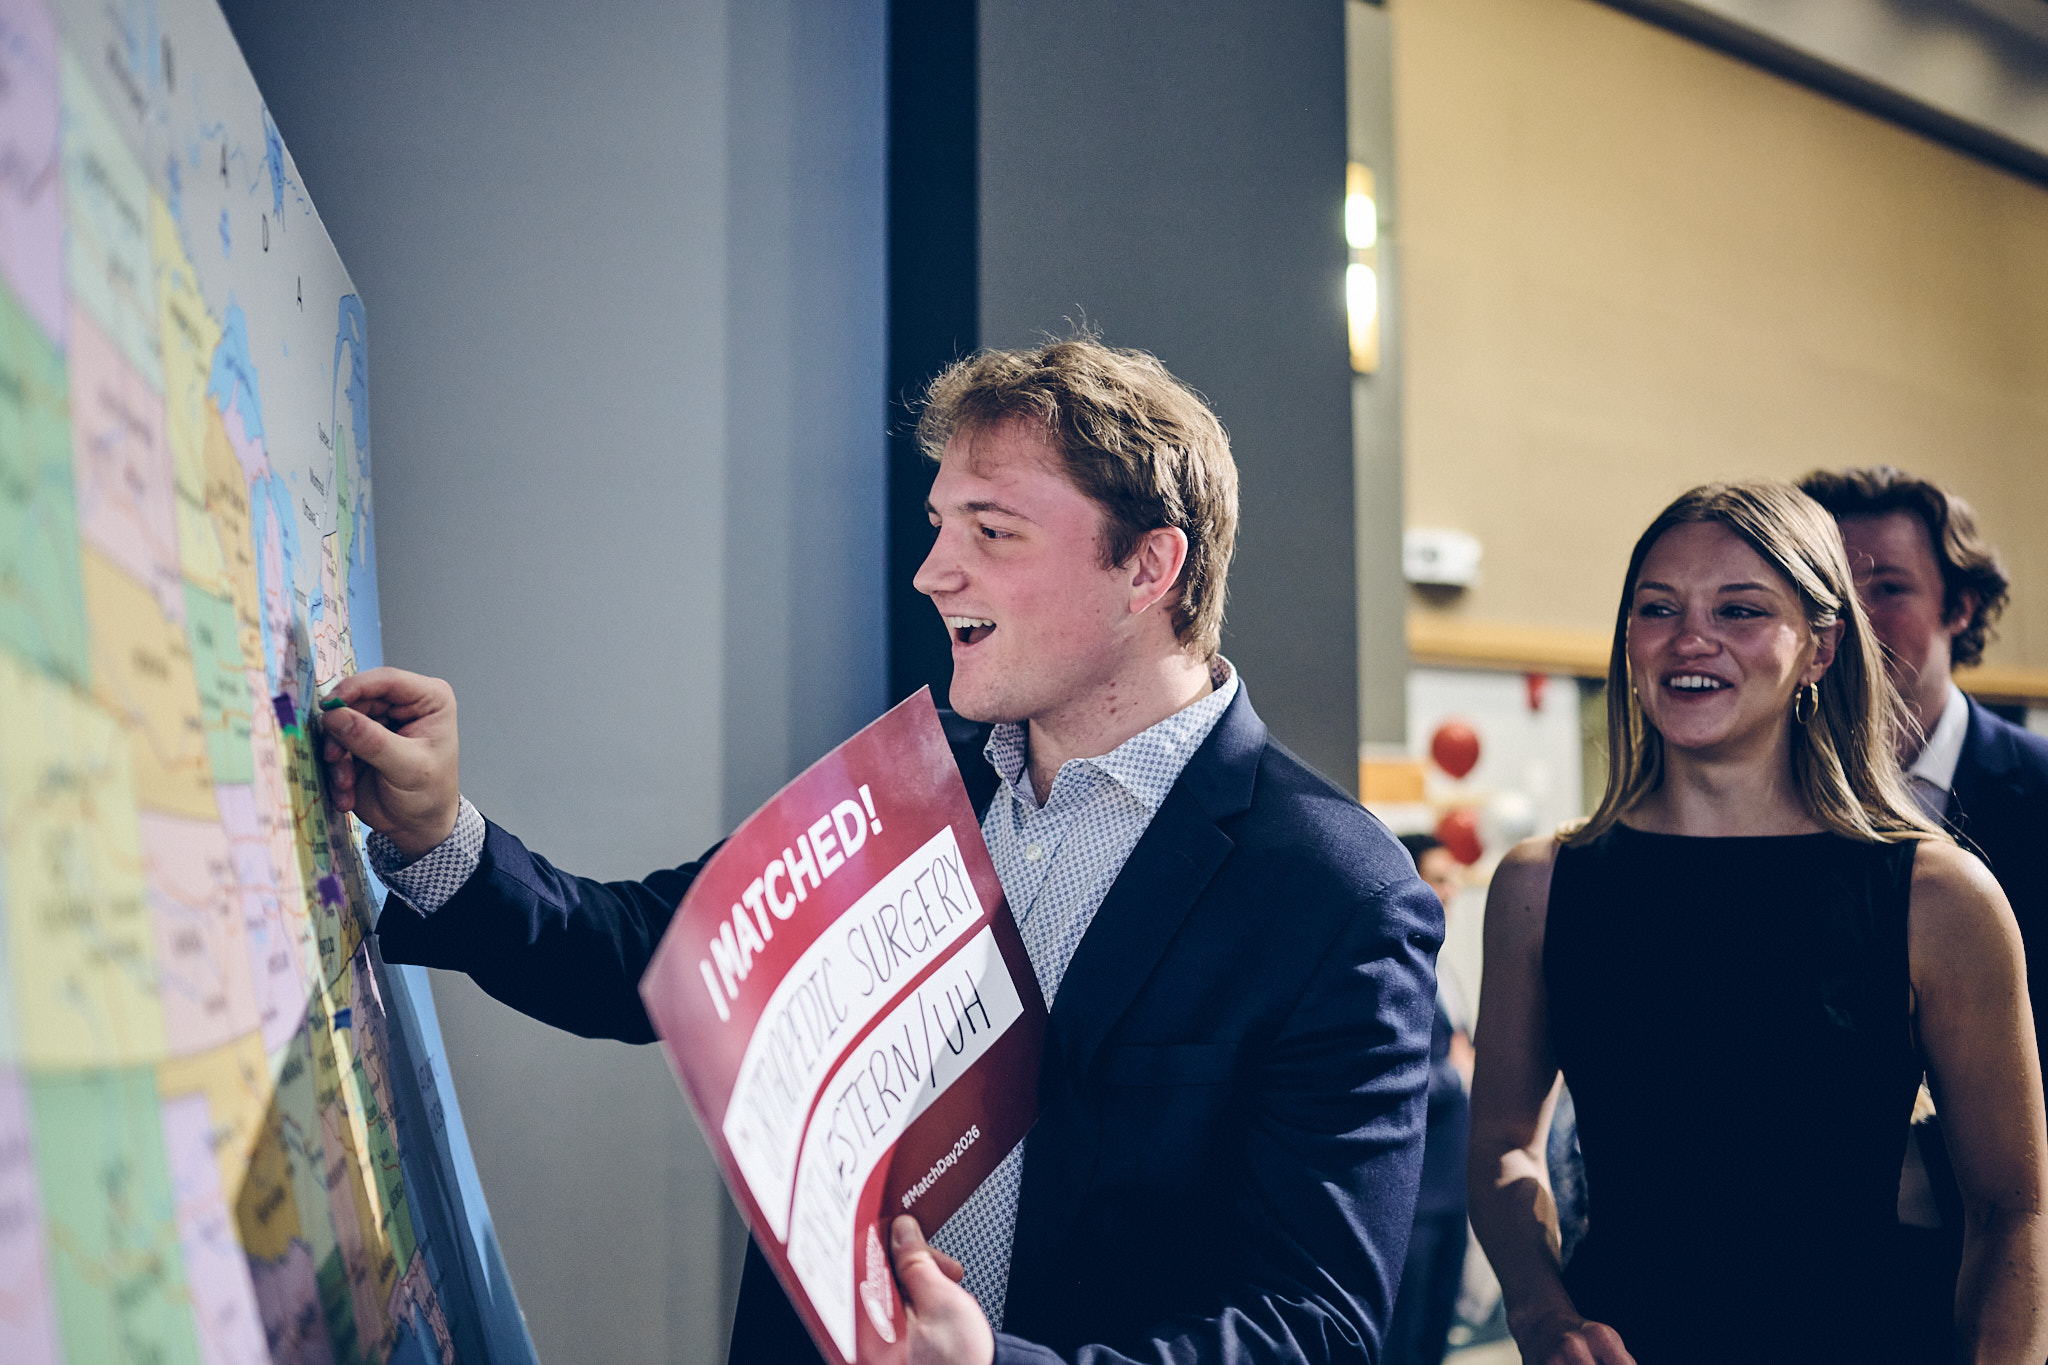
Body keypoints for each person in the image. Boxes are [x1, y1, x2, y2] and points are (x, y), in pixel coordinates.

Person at [320, 337, 1443, 1365]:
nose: (933, 571)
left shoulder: (1338, 896)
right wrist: (438, 836)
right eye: (939, 525)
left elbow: (1316, 1325)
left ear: (1147, 569)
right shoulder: (914, 782)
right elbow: (643, 956)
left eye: (991, 531)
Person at [1465, 480, 2048, 1365]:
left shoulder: (1938, 895)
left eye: (1739, 610)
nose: (1690, 639)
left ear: (1821, 647)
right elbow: (1505, 1146)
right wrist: (1543, 1314)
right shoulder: (1542, 885)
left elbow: (2011, 1208)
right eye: (1657, 607)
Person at [1386, 834, 1473, 1365]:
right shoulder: (1392, 967)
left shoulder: (1444, 963)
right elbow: (1390, 1078)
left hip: (1453, 1188)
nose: (1451, 891)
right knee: (1403, 1341)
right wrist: (1454, 1075)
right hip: (1412, 1198)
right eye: (1439, 879)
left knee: (1435, 1337)